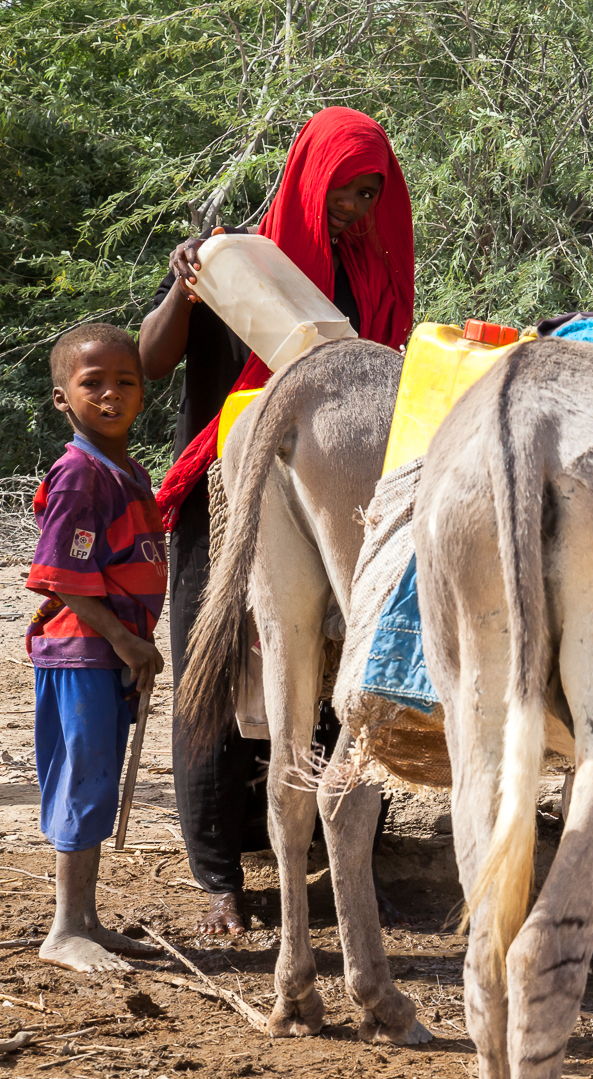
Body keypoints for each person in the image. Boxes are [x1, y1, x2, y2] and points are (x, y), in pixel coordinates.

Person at [140, 106, 415, 935]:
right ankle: (219, 872)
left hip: (328, 489)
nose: (355, 209)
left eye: (369, 193)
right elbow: (152, 360)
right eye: (342, 189)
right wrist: (186, 288)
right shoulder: (236, 258)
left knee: (340, 671)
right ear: (308, 175)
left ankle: (336, 860)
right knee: (215, 664)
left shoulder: (371, 270)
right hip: (225, 486)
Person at [29, 325, 167, 972]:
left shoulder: (127, 470)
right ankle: (63, 929)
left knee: (99, 779)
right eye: (93, 383)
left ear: (144, 391)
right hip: (81, 650)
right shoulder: (80, 475)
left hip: (110, 653)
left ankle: (85, 919)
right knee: (82, 778)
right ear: (63, 398)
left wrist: (136, 645)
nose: (111, 394)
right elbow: (57, 575)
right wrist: (125, 639)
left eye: (125, 381)